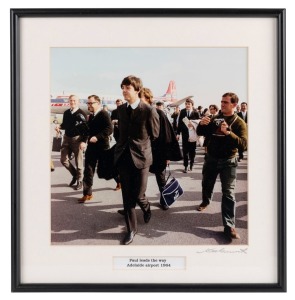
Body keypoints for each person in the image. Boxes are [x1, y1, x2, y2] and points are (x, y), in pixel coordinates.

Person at [114, 75, 160, 245]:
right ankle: (131, 230)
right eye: (122, 87)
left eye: (127, 88)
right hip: (124, 158)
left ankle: (147, 208)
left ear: (137, 90)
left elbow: (155, 135)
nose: (124, 91)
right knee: (127, 197)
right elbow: (120, 134)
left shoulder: (148, 110)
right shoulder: (120, 110)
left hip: (141, 158)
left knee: (138, 194)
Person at [196, 92, 248, 240]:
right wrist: (201, 124)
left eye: (225, 102)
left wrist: (229, 133)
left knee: (228, 193)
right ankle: (206, 201)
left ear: (234, 105)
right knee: (207, 183)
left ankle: (229, 225)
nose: (222, 104)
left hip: (228, 162)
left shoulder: (239, 122)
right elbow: (201, 133)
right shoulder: (214, 118)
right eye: (222, 101)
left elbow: (244, 145)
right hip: (211, 159)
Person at [139, 88, 182, 210]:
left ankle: (164, 200)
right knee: (139, 180)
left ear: (148, 99)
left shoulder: (159, 113)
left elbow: (168, 136)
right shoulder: (137, 113)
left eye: (140, 98)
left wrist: (167, 156)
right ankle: (138, 203)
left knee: (161, 178)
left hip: (158, 152)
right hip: (142, 153)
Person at [78, 95, 113, 203]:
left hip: (103, 147)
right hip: (92, 148)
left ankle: (119, 181)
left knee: (107, 169)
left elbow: (109, 129)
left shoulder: (104, 114)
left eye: (91, 103)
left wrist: (97, 137)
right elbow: (87, 130)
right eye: (88, 103)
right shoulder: (91, 116)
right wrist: (83, 141)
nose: (89, 105)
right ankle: (87, 194)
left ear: (98, 103)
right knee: (88, 170)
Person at [55, 95, 87, 190]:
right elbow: (65, 124)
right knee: (63, 160)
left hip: (77, 139)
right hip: (66, 138)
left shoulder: (81, 113)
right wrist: (59, 126)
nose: (72, 102)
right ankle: (75, 175)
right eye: (71, 100)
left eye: (74, 100)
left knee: (79, 161)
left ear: (78, 102)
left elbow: (86, 130)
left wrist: (83, 141)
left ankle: (80, 181)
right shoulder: (66, 113)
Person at [176, 98, 200, 173]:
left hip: (193, 134)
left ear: (192, 105)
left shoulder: (195, 112)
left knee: (192, 151)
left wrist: (193, 124)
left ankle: (191, 164)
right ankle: (186, 166)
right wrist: (178, 133)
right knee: (185, 151)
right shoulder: (182, 112)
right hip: (185, 134)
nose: (187, 105)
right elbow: (180, 122)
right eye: (186, 104)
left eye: (189, 104)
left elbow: (199, 122)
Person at [110, 99, 123, 191]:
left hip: (125, 136)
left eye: (120, 103)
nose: (118, 105)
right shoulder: (114, 111)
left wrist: (118, 122)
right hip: (117, 135)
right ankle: (119, 182)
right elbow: (110, 122)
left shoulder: (125, 111)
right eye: (117, 103)